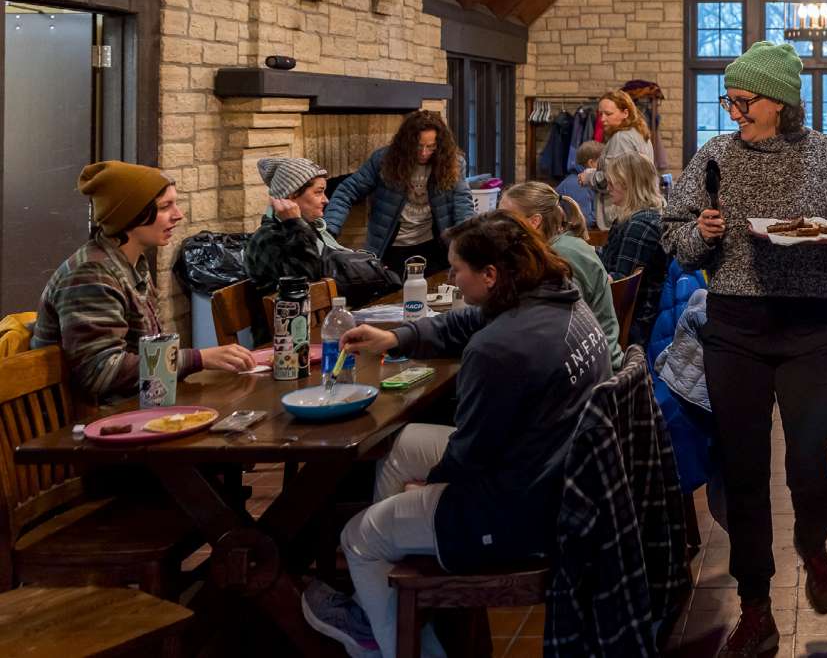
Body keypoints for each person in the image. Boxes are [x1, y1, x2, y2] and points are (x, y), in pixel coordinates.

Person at [662, 41, 827, 658]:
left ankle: (815, 542)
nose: (732, 110)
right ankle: (756, 605)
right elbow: (673, 230)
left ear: (781, 101)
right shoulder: (712, 157)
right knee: (742, 468)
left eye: (743, 100)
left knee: (812, 461)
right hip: (733, 328)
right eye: (728, 99)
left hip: (811, 328)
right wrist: (700, 234)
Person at [302, 212, 607, 658]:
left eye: (458, 269)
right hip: (556, 480)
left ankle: (389, 643)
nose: (453, 280)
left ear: (490, 274)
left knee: (357, 537)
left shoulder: (497, 348)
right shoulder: (560, 301)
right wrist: (397, 338)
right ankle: (391, 607)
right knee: (403, 444)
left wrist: (435, 483)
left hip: (516, 514)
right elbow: (465, 324)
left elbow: (470, 455)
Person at [33, 161, 253, 403]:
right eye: (165, 206)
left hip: (138, 405)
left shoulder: (132, 263)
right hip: (97, 423)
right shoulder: (92, 273)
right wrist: (199, 358)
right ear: (131, 214)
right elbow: (101, 373)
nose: (178, 215)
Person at [324, 110, 474, 277]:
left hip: (434, 248)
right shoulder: (384, 160)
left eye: (431, 147)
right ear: (407, 143)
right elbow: (347, 191)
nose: (424, 153)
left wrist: (465, 244)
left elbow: (463, 203)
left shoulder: (453, 163)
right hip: (391, 249)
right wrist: (329, 230)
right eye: (418, 146)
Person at [501, 180, 625, 371]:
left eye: (506, 219)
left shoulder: (560, 259)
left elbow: (560, 331)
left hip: (594, 372)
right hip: (593, 360)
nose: (498, 225)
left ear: (534, 222)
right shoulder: (564, 245)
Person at [245, 157, 353, 296]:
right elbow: (308, 282)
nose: (326, 200)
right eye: (318, 192)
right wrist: (294, 223)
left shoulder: (307, 227)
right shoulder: (270, 238)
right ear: (291, 196)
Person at [598, 150, 669, 354]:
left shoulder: (641, 224)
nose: (608, 188)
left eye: (613, 183)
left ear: (630, 185)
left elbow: (620, 285)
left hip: (634, 321)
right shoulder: (636, 217)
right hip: (631, 313)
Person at [581, 89, 655, 231]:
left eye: (608, 114)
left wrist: (589, 177)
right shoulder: (638, 134)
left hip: (620, 213)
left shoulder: (621, 138)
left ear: (625, 113)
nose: (602, 119)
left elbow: (613, 179)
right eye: (600, 114)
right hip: (635, 210)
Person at [556, 140, 604, 228]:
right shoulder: (577, 185)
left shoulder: (577, 180)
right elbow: (584, 220)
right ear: (591, 163)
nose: (605, 167)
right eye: (602, 162)